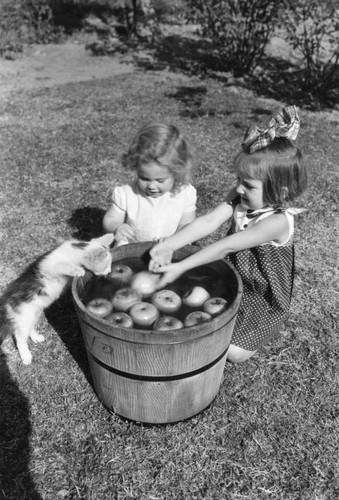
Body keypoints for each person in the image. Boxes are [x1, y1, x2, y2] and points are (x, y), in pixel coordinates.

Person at [149, 106, 308, 363]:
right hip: (235, 275)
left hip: (262, 292)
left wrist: (181, 266)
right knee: (200, 308)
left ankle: (263, 327)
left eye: (248, 185)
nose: (237, 188)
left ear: (279, 192)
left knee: (234, 353)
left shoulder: (277, 222)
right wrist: (170, 244)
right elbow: (209, 221)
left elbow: (226, 247)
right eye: (239, 179)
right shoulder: (240, 199)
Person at [103, 123, 197, 246]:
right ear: (136, 168)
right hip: (131, 247)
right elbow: (111, 219)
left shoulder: (184, 193)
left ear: (176, 172)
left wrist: (175, 239)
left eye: (160, 180)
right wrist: (117, 227)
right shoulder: (127, 193)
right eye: (144, 178)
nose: (152, 186)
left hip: (170, 247)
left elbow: (187, 225)